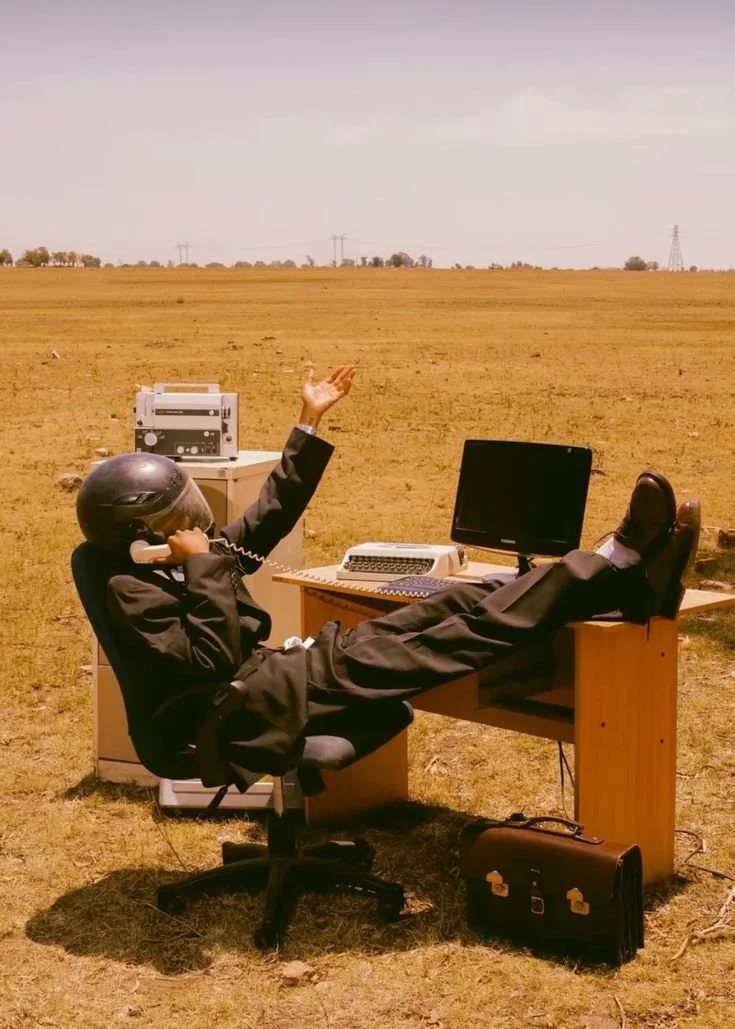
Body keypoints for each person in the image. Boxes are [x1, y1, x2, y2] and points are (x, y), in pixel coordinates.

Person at [76, 364, 701, 779]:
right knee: (453, 639)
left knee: (449, 604)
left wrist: (308, 423)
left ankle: (611, 582)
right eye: (176, 518)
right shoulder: (130, 591)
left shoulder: (160, 564)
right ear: (141, 536)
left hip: (275, 679)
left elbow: (265, 519)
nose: (195, 524)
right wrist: (206, 567)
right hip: (240, 708)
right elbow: (209, 661)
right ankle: (615, 563)